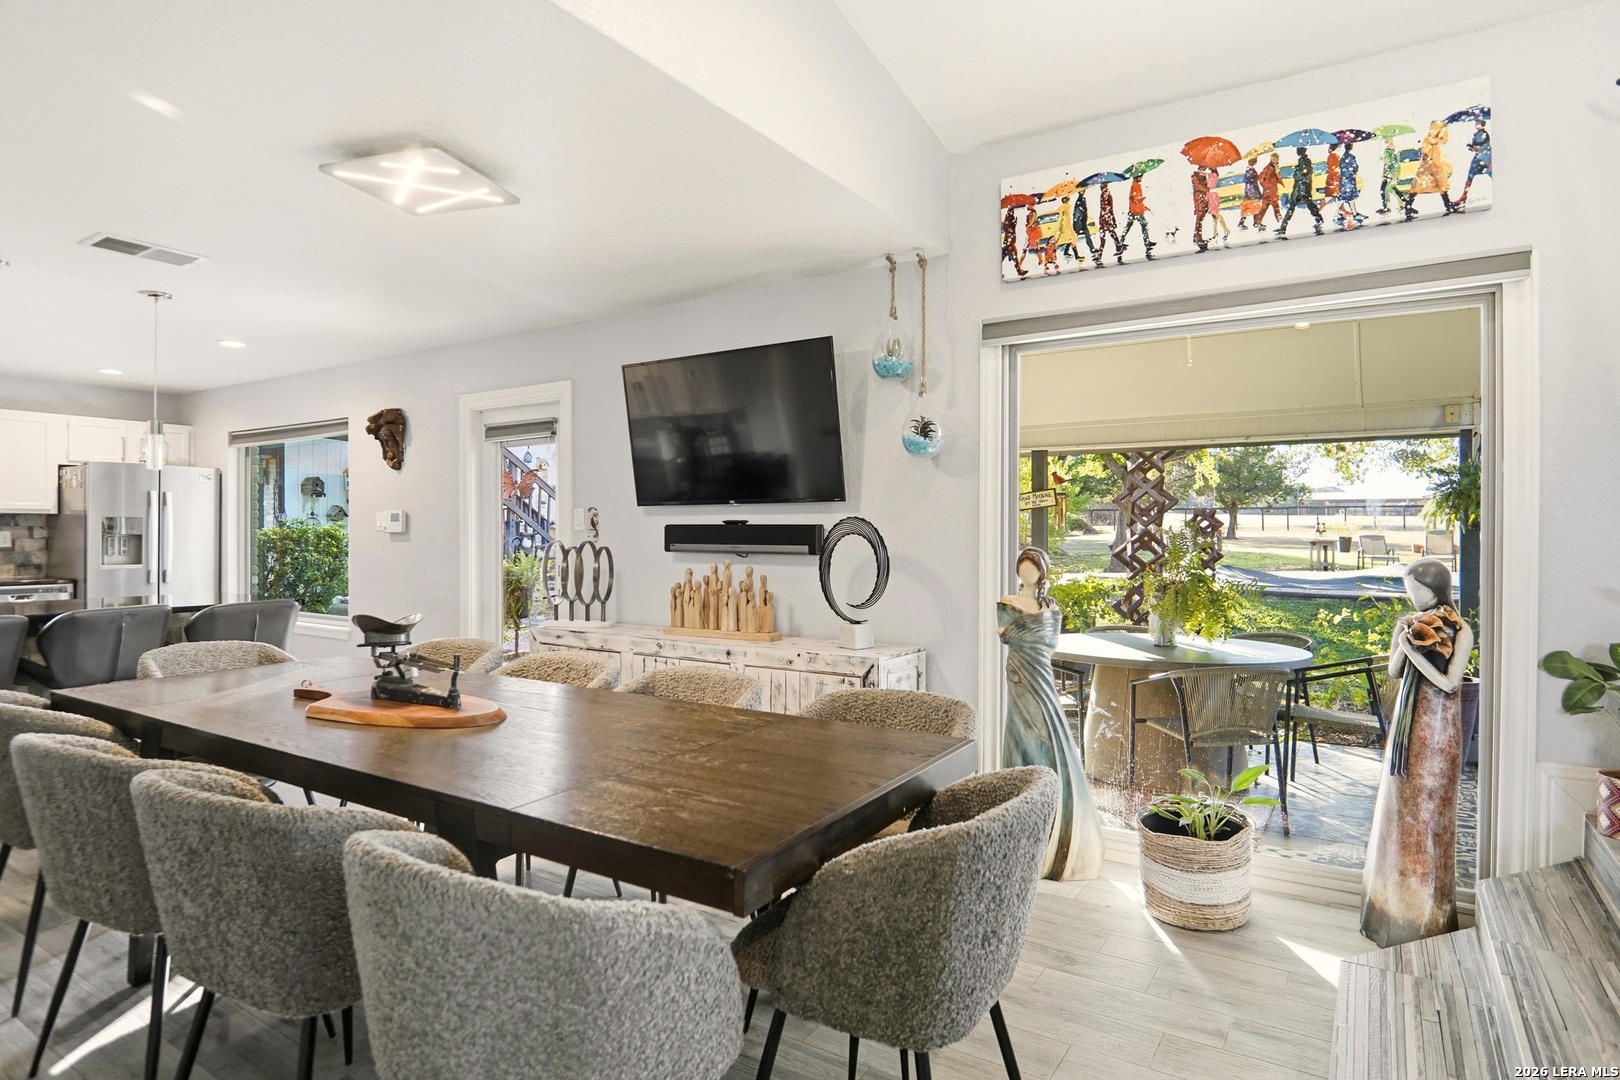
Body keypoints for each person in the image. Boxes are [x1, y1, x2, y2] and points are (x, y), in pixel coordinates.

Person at [1361, 559, 1472, 948]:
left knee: (1429, 816)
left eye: (1417, 590)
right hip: (1407, 727)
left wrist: (1415, 652)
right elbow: (1395, 671)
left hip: (1437, 729)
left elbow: (1449, 683)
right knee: (1399, 812)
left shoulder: (1461, 630)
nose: (1412, 597)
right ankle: (1388, 910)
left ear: (1435, 589)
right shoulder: (1410, 623)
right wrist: (1403, 641)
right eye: (1409, 590)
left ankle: (1424, 920)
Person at [999, 546, 1104, 881]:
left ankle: (1056, 829)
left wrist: (1027, 635)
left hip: (1040, 676)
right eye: (1022, 567)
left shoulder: (1050, 607)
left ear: (1041, 572)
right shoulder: (1007, 603)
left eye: (1032, 567)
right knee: (1021, 736)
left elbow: (1044, 642)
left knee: (1048, 738)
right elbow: (1008, 637)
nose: (1026, 572)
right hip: (1019, 677)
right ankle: (1022, 827)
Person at [1404, 120, 1455, 219]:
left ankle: (1447, 203)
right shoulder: (1429, 141)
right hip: (1431, 166)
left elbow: (1442, 140)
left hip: (1434, 165)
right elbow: (1428, 151)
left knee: (1439, 185)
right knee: (1421, 185)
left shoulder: (1432, 141)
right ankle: (1408, 206)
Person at [1277, 146, 1324, 237]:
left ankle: (1318, 219)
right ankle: (1283, 227)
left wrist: (1297, 172)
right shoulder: (1302, 161)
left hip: (1303, 187)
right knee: (1295, 206)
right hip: (1299, 188)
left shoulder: (1306, 161)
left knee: (1307, 204)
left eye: (1298, 151)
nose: (1297, 152)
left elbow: (1304, 173)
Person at [1453, 119, 1491, 210]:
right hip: (1478, 157)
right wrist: (1472, 147)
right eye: (1476, 123)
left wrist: (1476, 147)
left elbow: (1484, 146)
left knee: (1491, 173)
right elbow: (1476, 147)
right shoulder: (1476, 134)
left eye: (1478, 123)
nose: (1476, 124)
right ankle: (1464, 196)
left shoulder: (1484, 134)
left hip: (1485, 157)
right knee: (1470, 175)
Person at [1119, 175, 1156, 258]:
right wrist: (1141, 200)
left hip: (1134, 210)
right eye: (1140, 177)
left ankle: (1120, 242)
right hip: (1137, 211)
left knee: (1128, 227)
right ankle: (1147, 243)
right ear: (1137, 177)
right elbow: (1135, 200)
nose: (1142, 178)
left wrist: (1144, 206)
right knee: (1144, 225)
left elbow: (1134, 200)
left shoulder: (1134, 186)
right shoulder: (1136, 186)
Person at [1094, 183, 1123, 264]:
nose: (1100, 188)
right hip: (1104, 219)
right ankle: (1118, 249)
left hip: (1106, 219)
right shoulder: (1103, 195)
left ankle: (1100, 255)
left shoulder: (1107, 195)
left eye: (1102, 186)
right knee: (1108, 235)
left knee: (1106, 236)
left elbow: (1110, 208)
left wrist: (1113, 219)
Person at [1339, 141, 1364, 225]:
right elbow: (1355, 167)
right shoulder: (1351, 157)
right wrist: (1353, 170)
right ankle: (1352, 213)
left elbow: (1342, 168)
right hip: (1349, 179)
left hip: (1344, 179)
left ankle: (1354, 213)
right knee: (1349, 196)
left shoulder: (1342, 157)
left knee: (1346, 197)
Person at [1256, 152, 1283, 231]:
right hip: (1268, 191)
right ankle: (1280, 221)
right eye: (1275, 159)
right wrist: (1267, 186)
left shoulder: (1276, 168)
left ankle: (1258, 222)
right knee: (1267, 207)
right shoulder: (1268, 168)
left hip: (1272, 191)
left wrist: (1277, 173)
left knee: (1272, 206)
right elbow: (1261, 178)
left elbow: (1278, 178)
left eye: (1277, 159)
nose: (1276, 160)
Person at [1055, 195, 1084, 265]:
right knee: (1071, 239)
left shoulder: (1063, 207)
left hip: (1067, 226)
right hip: (1066, 227)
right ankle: (1072, 254)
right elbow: (1061, 217)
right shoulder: (1064, 208)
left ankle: (1068, 253)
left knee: (1071, 239)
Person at [1204, 166, 1230, 245]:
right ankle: (1215, 233)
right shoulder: (1212, 175)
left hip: (1212, 196)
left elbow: (1209, 183)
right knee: (1214, 216)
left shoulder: (1213, 176)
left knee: (1215, 214)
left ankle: (1225, 230)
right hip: (1210, 195)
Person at [1377, 136, 1403, 215]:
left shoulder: (1388, 150)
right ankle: (1402, 205)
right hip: (1394, 172)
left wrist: (1387, 173)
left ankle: (1387, 207)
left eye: (1386, 139)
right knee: (1391, 189)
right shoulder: (1395, 149)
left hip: (1389, 173)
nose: (1385, 140)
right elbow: (1395, 162)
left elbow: (1388, 162)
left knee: (1386, 189)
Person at [1001, 205, 1027, 277]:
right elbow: (1008, 228)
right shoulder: (1008, 219)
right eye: (1011, 211)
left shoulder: (1010, 218)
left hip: (1010, 241)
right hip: (1009, 241)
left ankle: (1019, 270)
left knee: (1010, 255)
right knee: (1012, 255)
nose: (1012, 212)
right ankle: (1019, 270)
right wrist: (1012, 225)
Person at [1239, 156, 1262, 230]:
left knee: (1250, 208)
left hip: (1250, 191)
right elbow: (1250, 183)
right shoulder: (1250, 171)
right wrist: (1253, 194)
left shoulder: (1249, 170)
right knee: (1254, 207)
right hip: (1252, 191)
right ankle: (1255, 223)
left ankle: (1245, 222)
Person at [1191, 167, 1211, 252]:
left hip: (1202, 197)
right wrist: (1208, 189)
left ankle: (1197, 236)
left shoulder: (1202, 175)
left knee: (1201, 218)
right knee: (1199, 217)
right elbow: (1198, 186)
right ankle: (1198, 237)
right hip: (1199, 198)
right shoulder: (1196, 175)